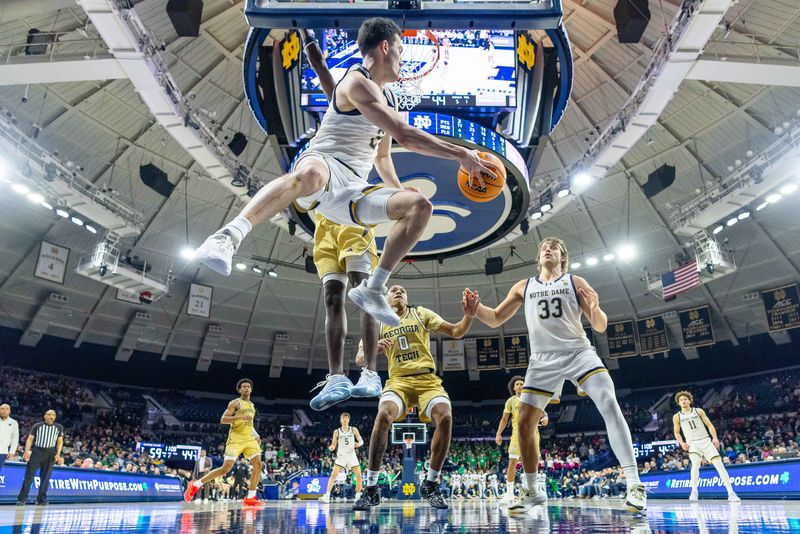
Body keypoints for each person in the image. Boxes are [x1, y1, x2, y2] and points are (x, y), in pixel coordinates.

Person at [194, 17, 500, 329]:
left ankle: (372, 288)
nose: (402, 57)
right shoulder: (357, 83)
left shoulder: (388, 98)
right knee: (310, 175)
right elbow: (405, 136)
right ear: (385, 47)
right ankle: (227, 237)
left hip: (353, 190)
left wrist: (400, 189)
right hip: (324, 165)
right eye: (400, 48)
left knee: (420, 207)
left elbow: (381, 157)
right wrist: (462, 153)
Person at [467, 237, 647, 514]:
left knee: (609, 404)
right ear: (538, 257)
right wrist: (475, 309)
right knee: (524, 422)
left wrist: (596, 309)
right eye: (543, 248)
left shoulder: (575, 282)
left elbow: (599, 326)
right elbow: (494, 318)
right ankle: (532, 491)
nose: (547, 250)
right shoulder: (524, 286)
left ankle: (635, 485)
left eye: (553, 248)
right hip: (542, 361)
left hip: (578, 353)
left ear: (563, 256)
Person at [301, 28, 382, 410]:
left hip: (351, 212)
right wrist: (305, 32)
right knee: (332, 297)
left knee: (361, 290)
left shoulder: (362, 120)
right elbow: (319, 68)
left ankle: (370, 372)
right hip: (325, 224)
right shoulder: (331, 120)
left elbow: (325, 74)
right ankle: (336, 377)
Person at [354, 284, 479, 511]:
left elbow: (456, 332)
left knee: (446, 417)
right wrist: (374, 350)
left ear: (407, 297)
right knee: (382, 415)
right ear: (385, 297)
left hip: (427, 381)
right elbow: (359, 359)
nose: (399, 291)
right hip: (398, 381)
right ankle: (370, 487)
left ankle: (430, 483)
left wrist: (468, 316)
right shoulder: (376, 320)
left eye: (403, 290)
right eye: (393, 290)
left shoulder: (420, 313)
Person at [184, 379, 265, 507]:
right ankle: (195, 484)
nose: (246, 388)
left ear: (251, 389)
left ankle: (250, 497)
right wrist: (240, 417)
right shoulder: (235, 403)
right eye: (243, 387)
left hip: (249, 438)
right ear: (239, 390)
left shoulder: (252, 406)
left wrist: (256, 435)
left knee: (258, 465)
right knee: (225, 469)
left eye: (248, 387)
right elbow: (223, 420)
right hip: (236, 439)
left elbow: (249, 423)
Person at [673, 391, 740, 502]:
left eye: (685, 399)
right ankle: (694, 491)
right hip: (692, 443)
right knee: (695, 463)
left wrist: (714, 438)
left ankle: (731, 493)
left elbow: (709, 424)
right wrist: (682, 443)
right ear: (678, 403)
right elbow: (676, 432)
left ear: (689, 400)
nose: (683, 401)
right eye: (681, 400)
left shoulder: (698, 411)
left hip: (705, 440)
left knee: (719, 464)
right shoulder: (677, 416)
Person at [495, 375, 549, 504]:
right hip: (516, 435)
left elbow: (543, 412)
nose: (520, 385)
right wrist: (498, 434)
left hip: (533, 433)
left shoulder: (531, 398)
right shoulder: (511, 401)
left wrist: (545, 418)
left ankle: (532, 489)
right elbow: (504, 419)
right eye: (517, 384)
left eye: (522, 383)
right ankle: (509, 493)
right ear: (514, 388)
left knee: (533, 461)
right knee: (512, 462)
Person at [17, 409, 64, 505]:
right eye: (49, 414)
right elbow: (30, 439)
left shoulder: (59, 427)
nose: (51, 416)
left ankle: (41, 499)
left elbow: (60, 441)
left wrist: (58, 454)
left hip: (51, 453)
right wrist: (26, 451)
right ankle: (22, 499)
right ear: (45, 416)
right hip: (37, 451)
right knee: (29, 476)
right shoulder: (37, 426)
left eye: (53, 415)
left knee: (46, 477)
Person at [319, 412, 365, 503]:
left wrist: (358, 444)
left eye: (346, 418)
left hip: (351, 455)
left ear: (349, 420)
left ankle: (358, 496)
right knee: (333, 475)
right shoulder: (336, 431)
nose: (345, 419)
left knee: (359, 475)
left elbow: (361, 441)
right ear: (340, 420)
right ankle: (327, 496)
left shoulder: (354, 429)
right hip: (341, 455)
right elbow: (333, 445)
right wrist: (331, 447)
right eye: (343, 418)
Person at [0, 404, 19, 471]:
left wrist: (12, 452)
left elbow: (15, 439)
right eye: (2, 409)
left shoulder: (14, 422)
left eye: (6, 409)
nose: (4, 411)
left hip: (3, 452)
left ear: (10, 411)